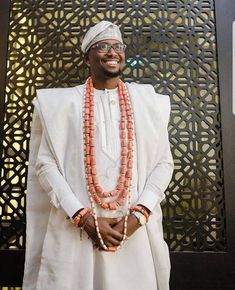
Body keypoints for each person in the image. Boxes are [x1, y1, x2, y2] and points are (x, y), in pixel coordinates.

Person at [23, 20, 174, 290]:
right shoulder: (61, 104)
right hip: (76, 230)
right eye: (103, 46)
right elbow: (45, 166)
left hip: (134, 231)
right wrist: (83, 217)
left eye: (117, 46)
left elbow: (164, 163)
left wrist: (138, 215)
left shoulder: (149, 102)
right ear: (88, 56)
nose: (112, 52)